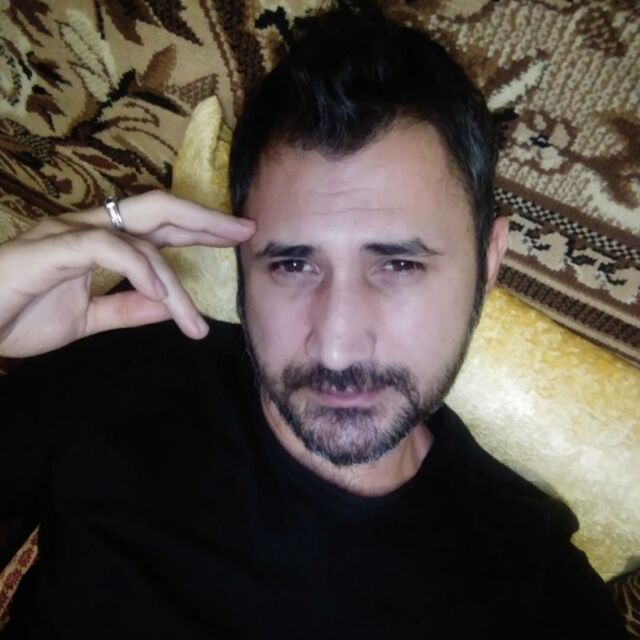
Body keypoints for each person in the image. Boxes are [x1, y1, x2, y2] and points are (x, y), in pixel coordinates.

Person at [0, 3, 628, 639]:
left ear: (487, 263)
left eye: (400, 265)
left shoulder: (531, 576)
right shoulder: (128, 368)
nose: (336, 345)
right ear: (242, 263)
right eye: (293, 264)